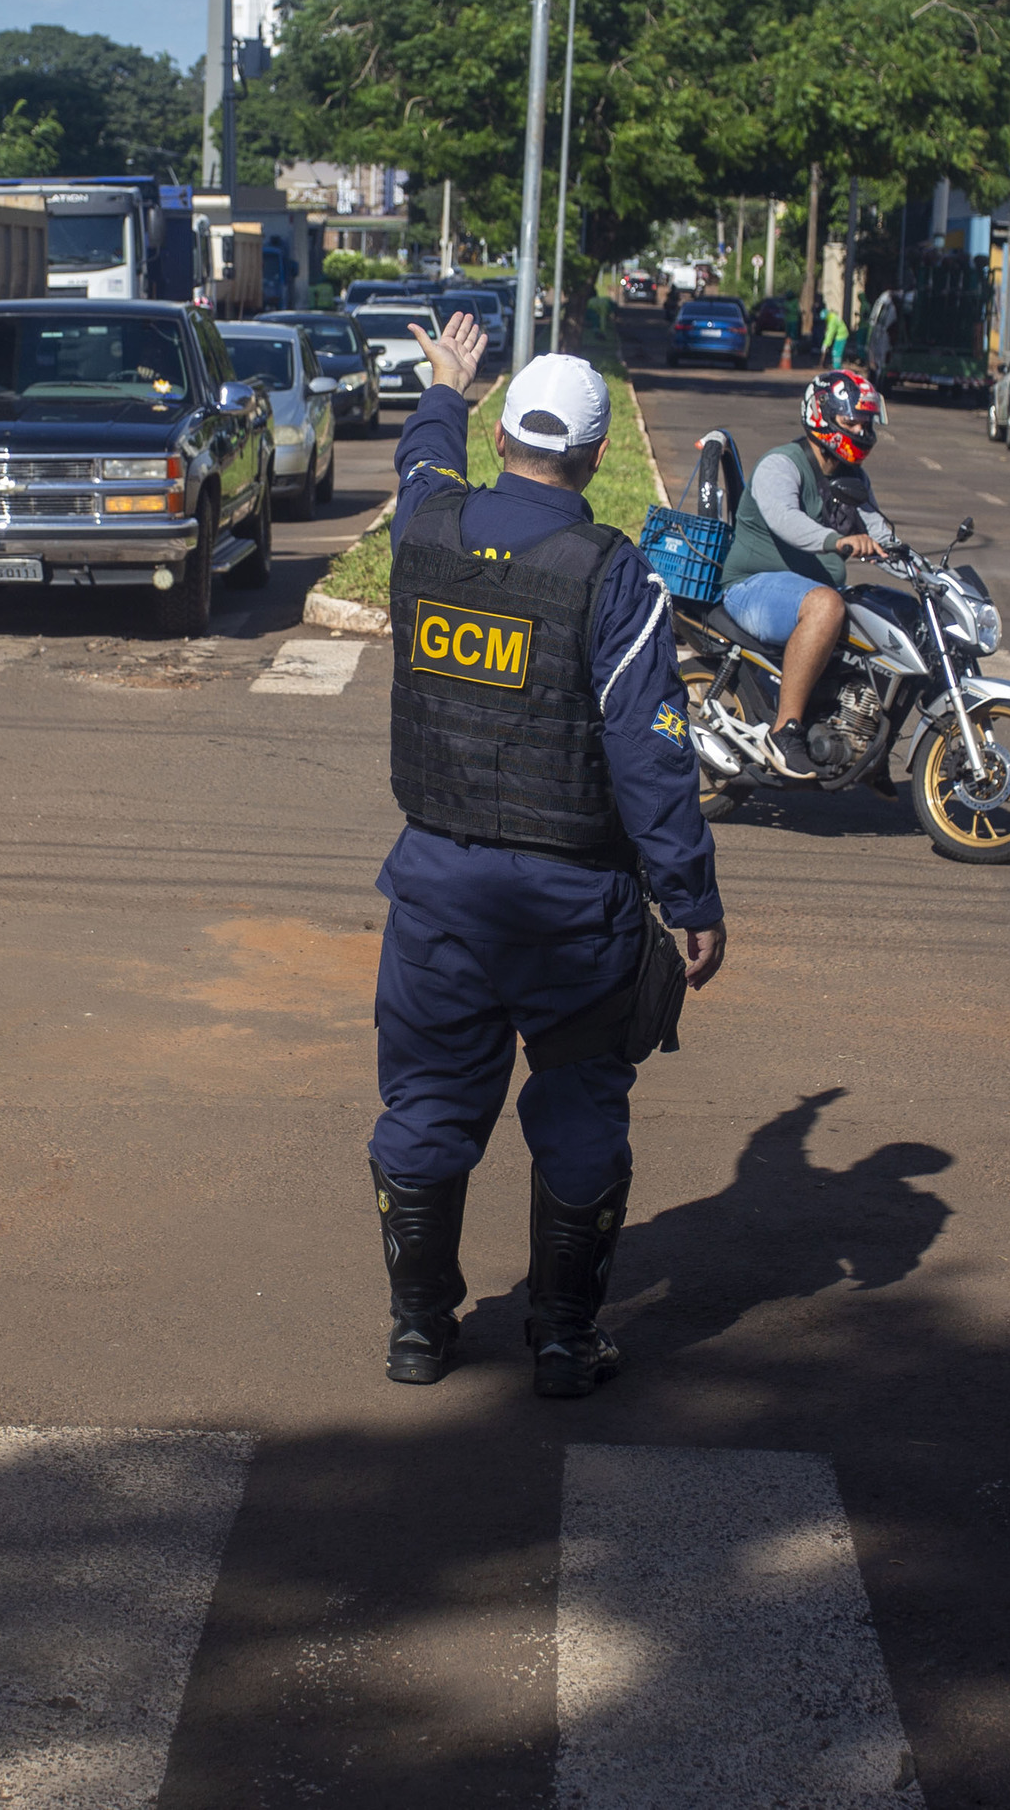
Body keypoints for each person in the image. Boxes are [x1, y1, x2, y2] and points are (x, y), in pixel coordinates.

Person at [370, 311, 726, 1398]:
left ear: (502, 437)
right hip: (575, 909)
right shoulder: (610, 576)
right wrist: (689, 894)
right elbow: (650, 756)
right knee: (578, 1118)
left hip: (436, 894)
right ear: (598, 455)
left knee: (426, 1111)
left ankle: (423, 1332)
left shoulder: (427, 524)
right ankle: (565, 1338)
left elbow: (420, 455)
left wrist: (445, 385)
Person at [711, 370, 895, 782]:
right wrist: (839, 542)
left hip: (806, 589)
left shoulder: (852, 477)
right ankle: (784, 732)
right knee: (828, 606)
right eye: (852, 422)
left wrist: (924, 571)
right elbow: (784, 520)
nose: (862, 431)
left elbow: (879, 532)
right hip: (752, 586)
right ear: (822, 418)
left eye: (866, 422)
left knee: (882, 610)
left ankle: (864, 742)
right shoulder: (782, 464)